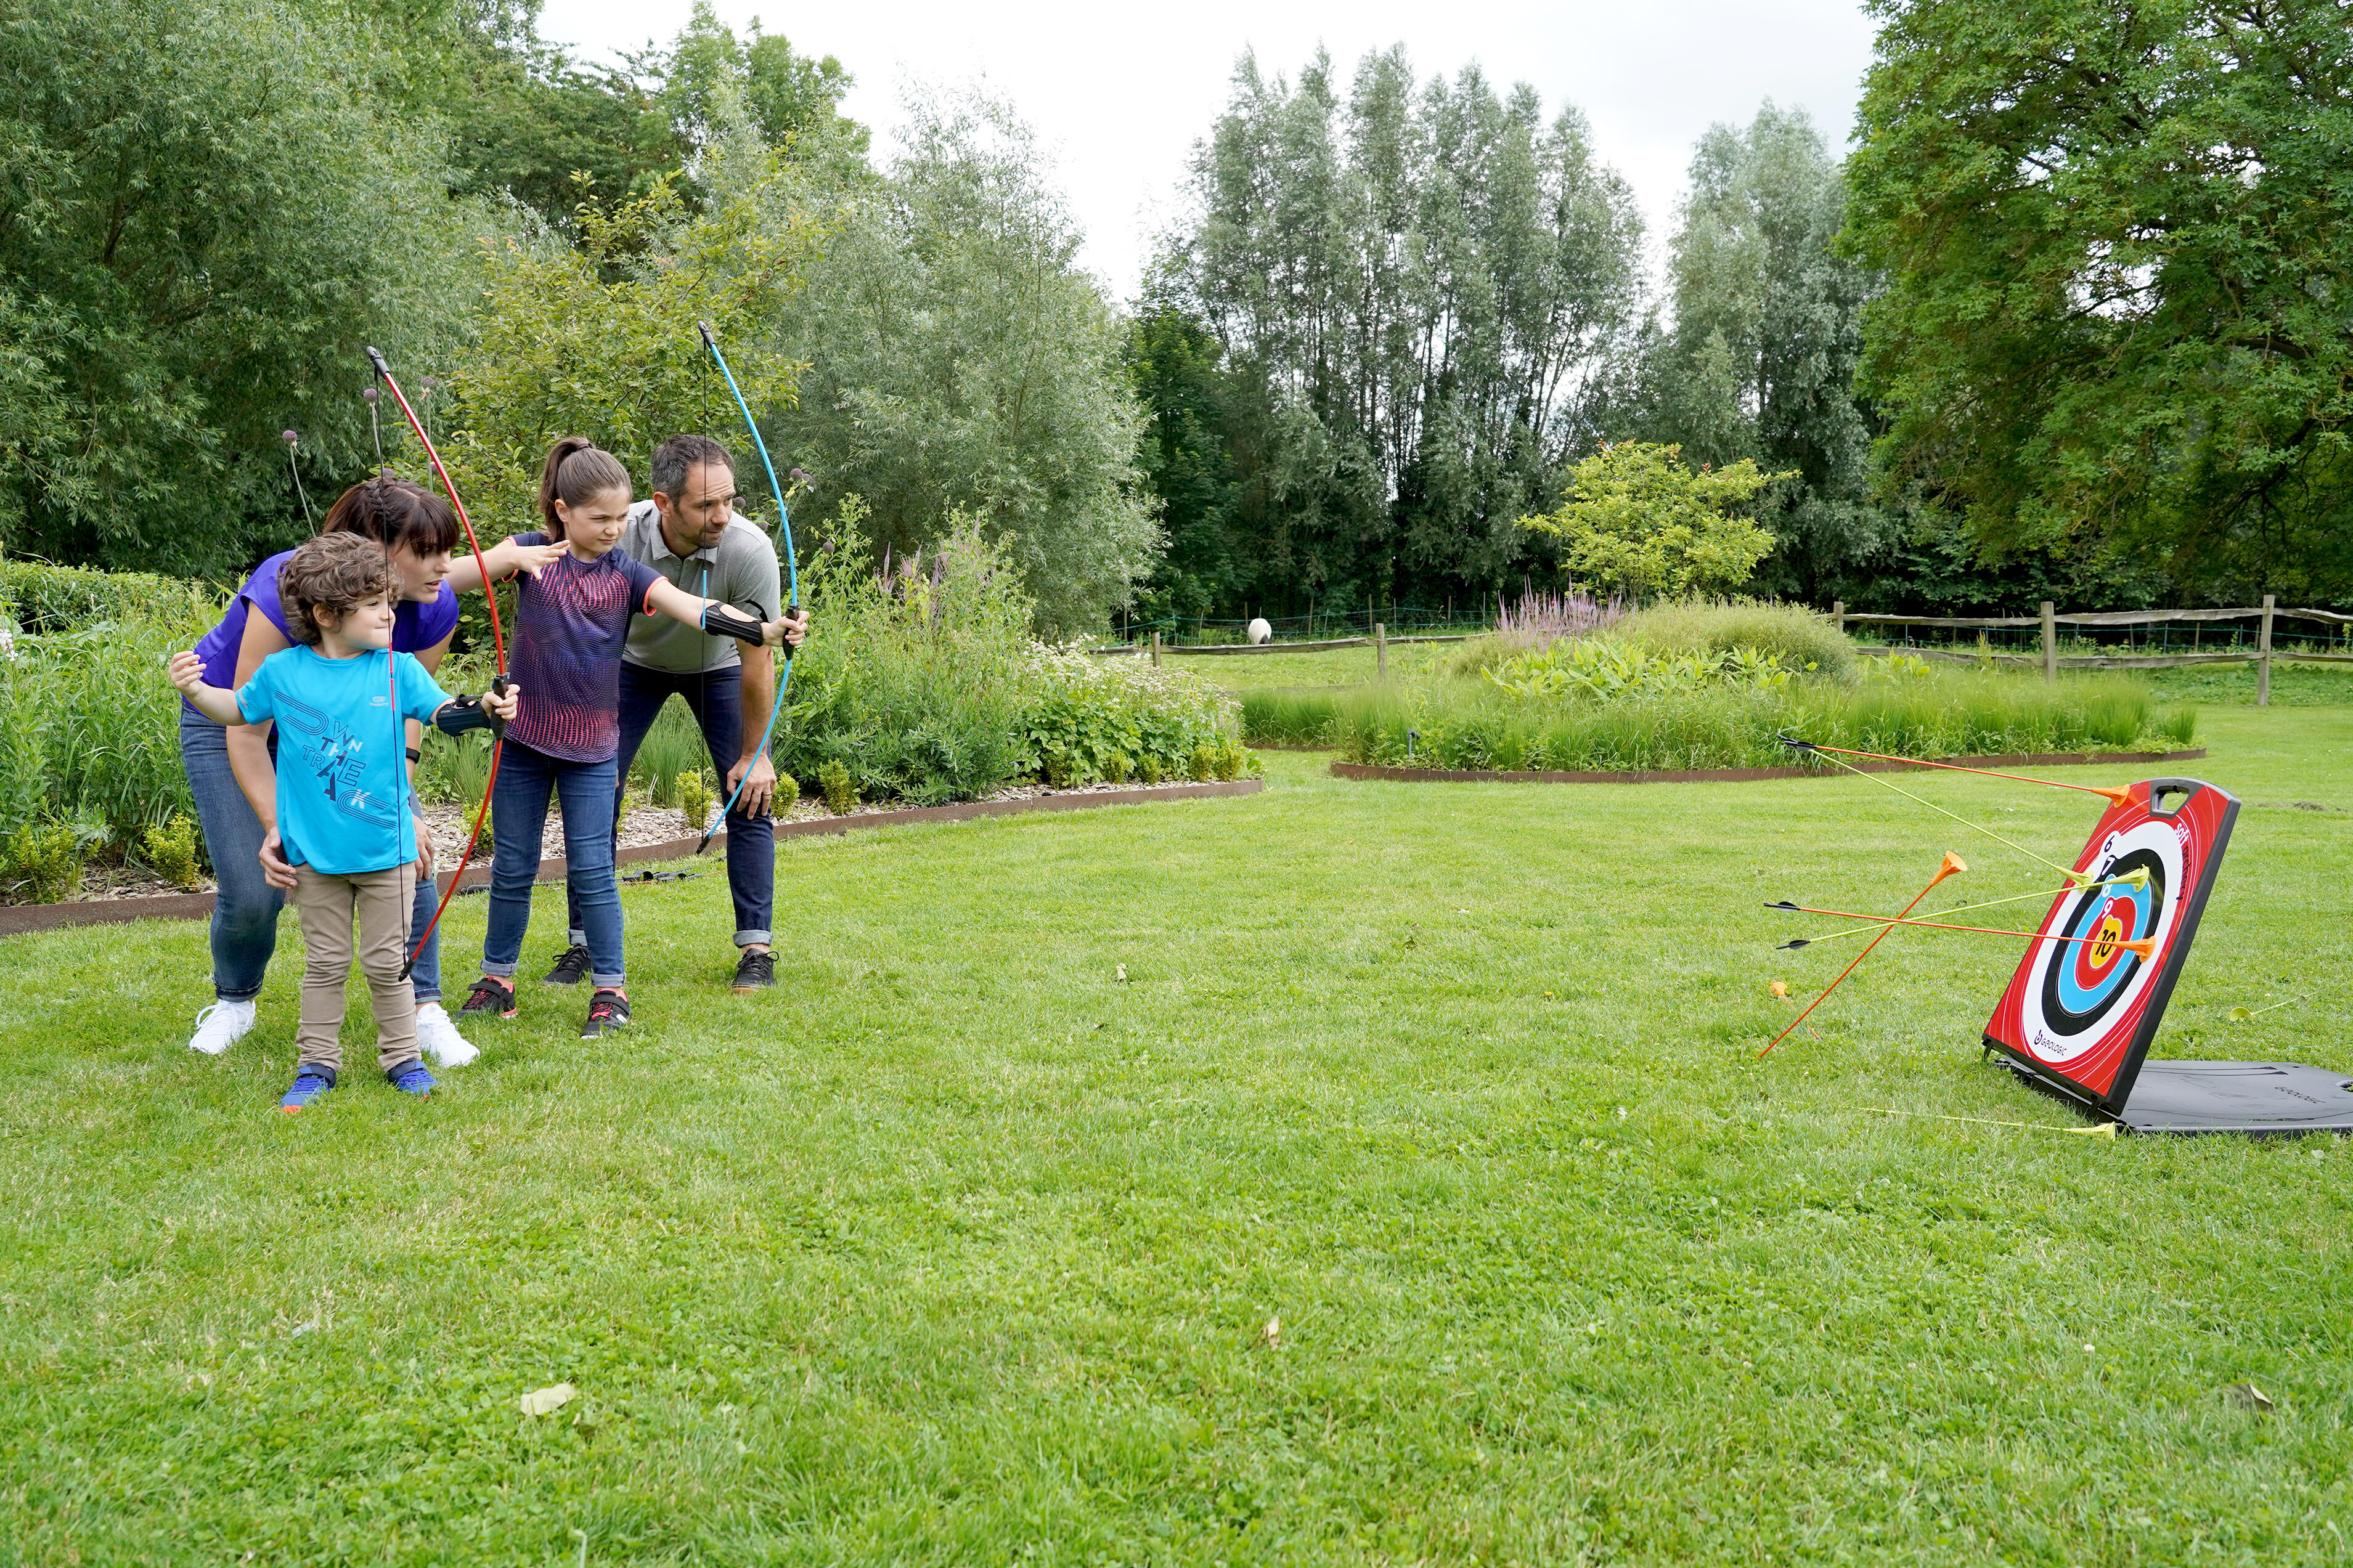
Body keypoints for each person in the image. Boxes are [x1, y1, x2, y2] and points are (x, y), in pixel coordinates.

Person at [174, 476, 561, 1063]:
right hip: (240, 721)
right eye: (427, 551)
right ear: (372, 552)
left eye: (446, 550)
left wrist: (404, 802)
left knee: (410, 854)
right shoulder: (293, 592)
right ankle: (235, 1000)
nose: (444, 566)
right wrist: (280, 824)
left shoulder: (433, 608)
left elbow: (409, 716)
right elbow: (247, 729)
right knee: (257, 887)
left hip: (354, 735)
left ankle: (424, 1009)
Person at [454, 437, 804, 1039]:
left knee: (593, 866)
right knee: (512, 865)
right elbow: (448, 580)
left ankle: (610, 991)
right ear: (562, 510)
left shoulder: (626, 571)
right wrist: (503, 560)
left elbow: (694, 609)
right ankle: (497, 981)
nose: (615, 529)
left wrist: (766, 629)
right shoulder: (531, 552)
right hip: (526, 740)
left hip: (594, 745)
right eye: (600, 519)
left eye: (621, 517)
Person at [543, 434, 806, 994]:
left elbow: (757, 654)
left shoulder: (750, 549)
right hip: (633, 665)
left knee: (750, 791)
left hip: (720, 665)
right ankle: (582, 943)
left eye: (729, 500)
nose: (722, 515)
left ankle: (756, 949)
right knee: (596, 792)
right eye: (706, 505)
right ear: (663, 503)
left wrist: (754, 753)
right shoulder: (619, 529)